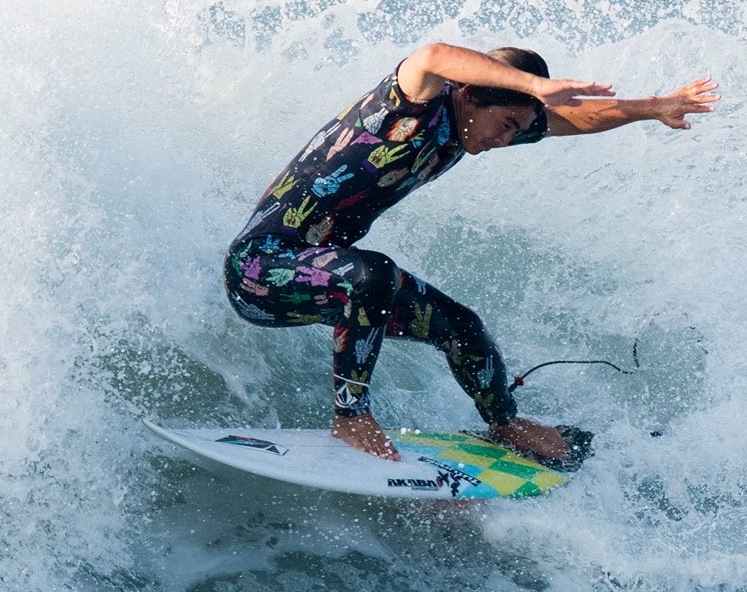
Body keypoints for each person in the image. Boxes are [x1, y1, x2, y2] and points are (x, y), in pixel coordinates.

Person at [223, 43, 718, 464]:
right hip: (259, 270)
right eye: (505, 124)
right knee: (374, 274)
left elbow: (572, 119)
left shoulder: (471, 126)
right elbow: (432, 55)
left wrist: (652, 107)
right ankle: (350, 418)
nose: (506, 139)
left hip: (325, 277)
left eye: (516, 129)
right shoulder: (413, 106)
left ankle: (504, 423)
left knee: (463, 328)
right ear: (469, 93)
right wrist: (536, 85)